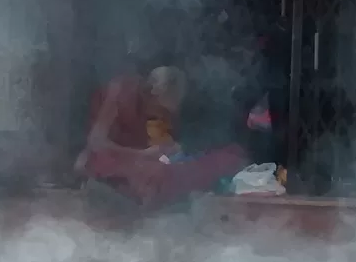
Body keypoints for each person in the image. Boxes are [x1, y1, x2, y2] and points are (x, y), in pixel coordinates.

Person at [78, 64, 248, 209]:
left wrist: (168, 149)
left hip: (130, 164)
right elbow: (96, 143)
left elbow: (156, 143)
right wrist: (143, 154)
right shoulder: (119, 91)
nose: (163, 117)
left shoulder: (151, 107)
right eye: (162, 111)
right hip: (103, 163)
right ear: (151, 94)